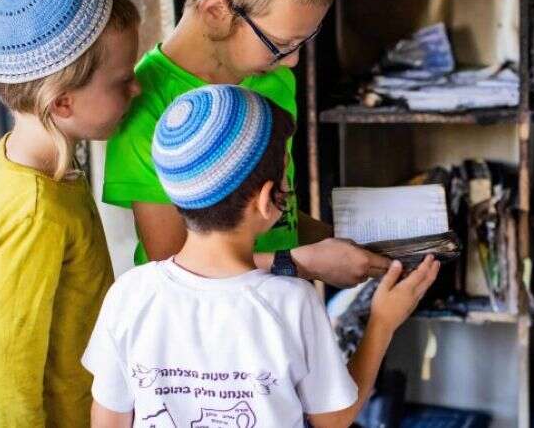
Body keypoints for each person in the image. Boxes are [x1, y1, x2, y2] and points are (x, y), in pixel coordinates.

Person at [84, 85, 440, 427]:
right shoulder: (292, 302)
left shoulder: (129, 294)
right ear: (267, 200)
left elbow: (108, 421)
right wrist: (382, 323)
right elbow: (333, 419)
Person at [103, 0, 388, 286]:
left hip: (280, 301)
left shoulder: (272, 77)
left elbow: (274, 215)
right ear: (216, 11)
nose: (292, 61)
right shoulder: (145, 106)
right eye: (281, 43)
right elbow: (170, 264)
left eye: (303, 42)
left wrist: (343, 246)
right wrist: (302, 263)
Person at [0, 0, 142, 426]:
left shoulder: (27, 161)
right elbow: (6, 378)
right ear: (62, 103)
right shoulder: (34, 210)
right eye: (122, 81)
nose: (136, 88)